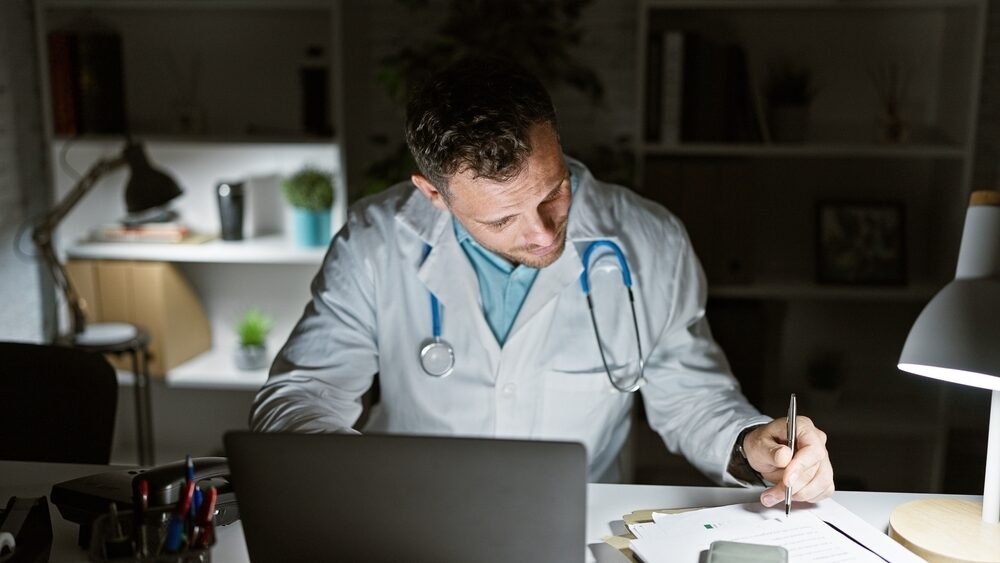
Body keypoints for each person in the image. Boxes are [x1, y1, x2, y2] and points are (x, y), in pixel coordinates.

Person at [251, 57, 834, 507]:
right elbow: (302, 393)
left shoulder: (649, 241)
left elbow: (691, 396)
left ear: (557, 142)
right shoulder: (375, 241)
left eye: (553, 191)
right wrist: (348, 471)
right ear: (434, 195)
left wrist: (753, 444)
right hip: (409, 512)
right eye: (501, 219)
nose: (542, 234)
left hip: (577, 517)